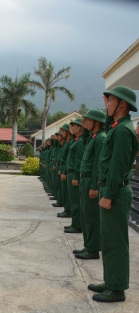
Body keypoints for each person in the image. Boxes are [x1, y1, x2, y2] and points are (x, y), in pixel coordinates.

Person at [88, 86, 138, 303]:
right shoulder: (118, 127)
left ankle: (117, 289)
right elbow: (109, 124)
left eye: (111, 100)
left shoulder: (124, 131)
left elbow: (117, 166)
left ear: (123, 104)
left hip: (115, 191)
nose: (106, 104)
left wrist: (108, 194)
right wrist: (109, 103)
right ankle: (110, 281)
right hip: (113, 190)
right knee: (108, 239)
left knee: (116, 242)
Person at [75, 109, 106, 260]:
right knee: (85, 215)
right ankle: (88, 246)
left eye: (88, 120)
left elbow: (98, 165)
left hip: (91, 180)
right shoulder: (93, 137)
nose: (85, 122)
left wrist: (95, 186)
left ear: (97, 122)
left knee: (92, 217)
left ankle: (93, 249)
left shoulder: (100, 139)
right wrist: (85, 129)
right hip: (85, 179)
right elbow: (85, 140)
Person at [64, 118, 85, 234]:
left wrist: (76, 176)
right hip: (71, 171)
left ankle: (77, 225)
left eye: (73, 126)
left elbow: (79, 161)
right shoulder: (76, 141)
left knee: (76, 201)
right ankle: (75, 223)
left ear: (80, 127)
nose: (70, 128)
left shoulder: (80, 142)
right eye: (70, 126)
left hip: (74, 172)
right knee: (73, 200)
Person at [57, 124, 74, 218]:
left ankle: (68, 210)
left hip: (68, 170)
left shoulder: (71, 142)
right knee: (65, 191)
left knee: (68, 193)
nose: (61, 134)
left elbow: (68, 159)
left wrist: (64, 171)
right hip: (64, 168)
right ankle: (66, 209)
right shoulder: (67, 143)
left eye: (63, 132)